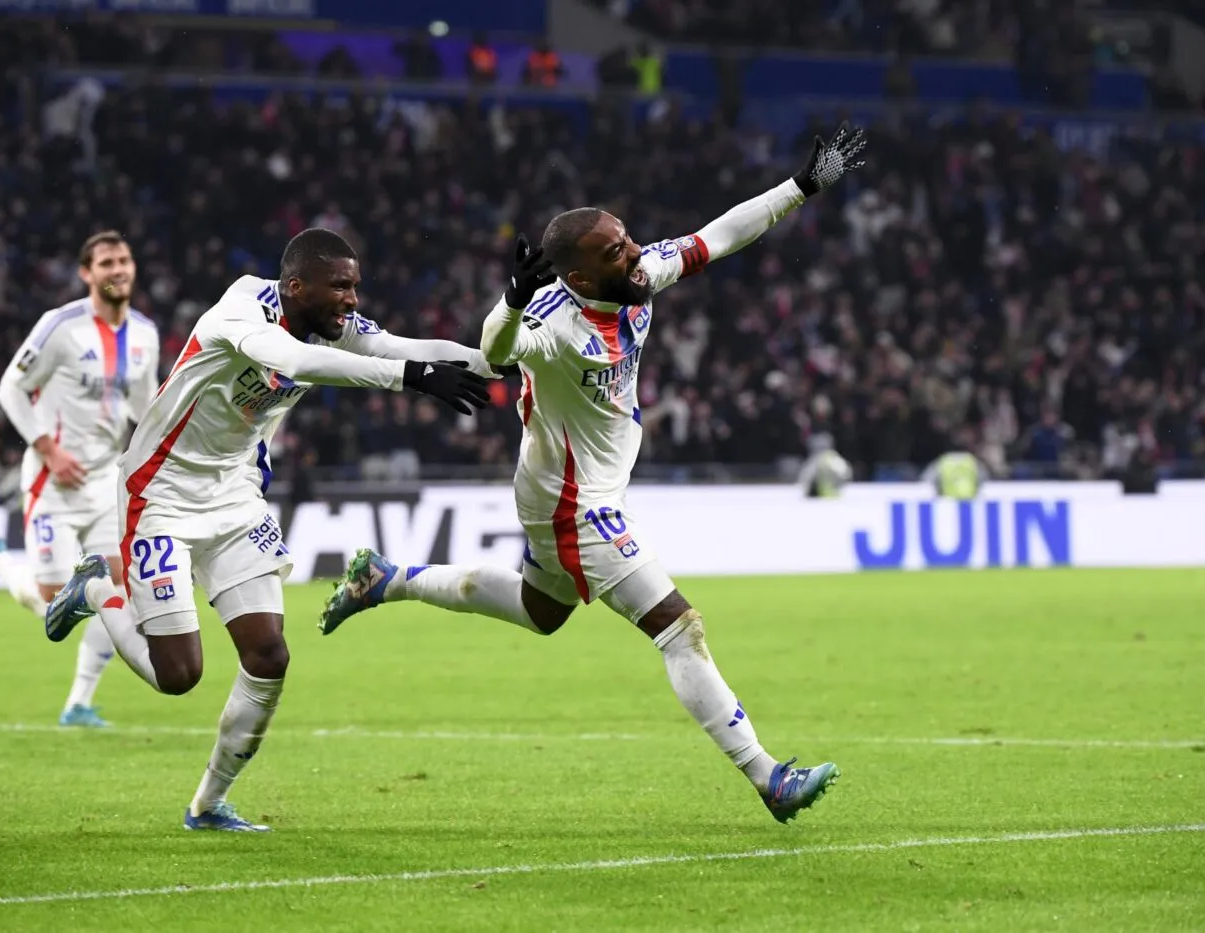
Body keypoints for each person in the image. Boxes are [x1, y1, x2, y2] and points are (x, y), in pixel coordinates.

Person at [320, 124, 868, 824]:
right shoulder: (555, 326)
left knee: (540, 611)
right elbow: (498, 350)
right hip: (573, 502)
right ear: (579, 277)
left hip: (568, 487)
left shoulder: (637, 275)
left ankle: (387, 578)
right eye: (616, 250)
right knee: (678, 627)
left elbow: (720, 235)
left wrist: (802, 186)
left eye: (628, 239)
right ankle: (769, 778)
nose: (635, 253)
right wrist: (510, 301)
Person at [42, 228, 493, 831]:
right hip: (160, 493)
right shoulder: (241, 310)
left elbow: (399, 345)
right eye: (341, 287)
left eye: (355, 286)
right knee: (178, 675)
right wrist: (410, 378)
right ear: (297, 286)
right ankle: (98, 586)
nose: (352, 300)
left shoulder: (333, 323)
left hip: (235, 496)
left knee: (269, 653)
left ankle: (207, 804)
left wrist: (497, 360)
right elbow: (297, 362)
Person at [0, 231, 160, 727]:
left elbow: (145, 409)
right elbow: (11, 388)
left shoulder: (144, 334)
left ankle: (78, 704)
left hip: (105, 484)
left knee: (118, 590)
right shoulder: (61, 326)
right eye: (106, 262)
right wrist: (49, 451)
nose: (118, 269)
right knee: (54, 600)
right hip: (52, 483)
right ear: (86, 273)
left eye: (124, 260)